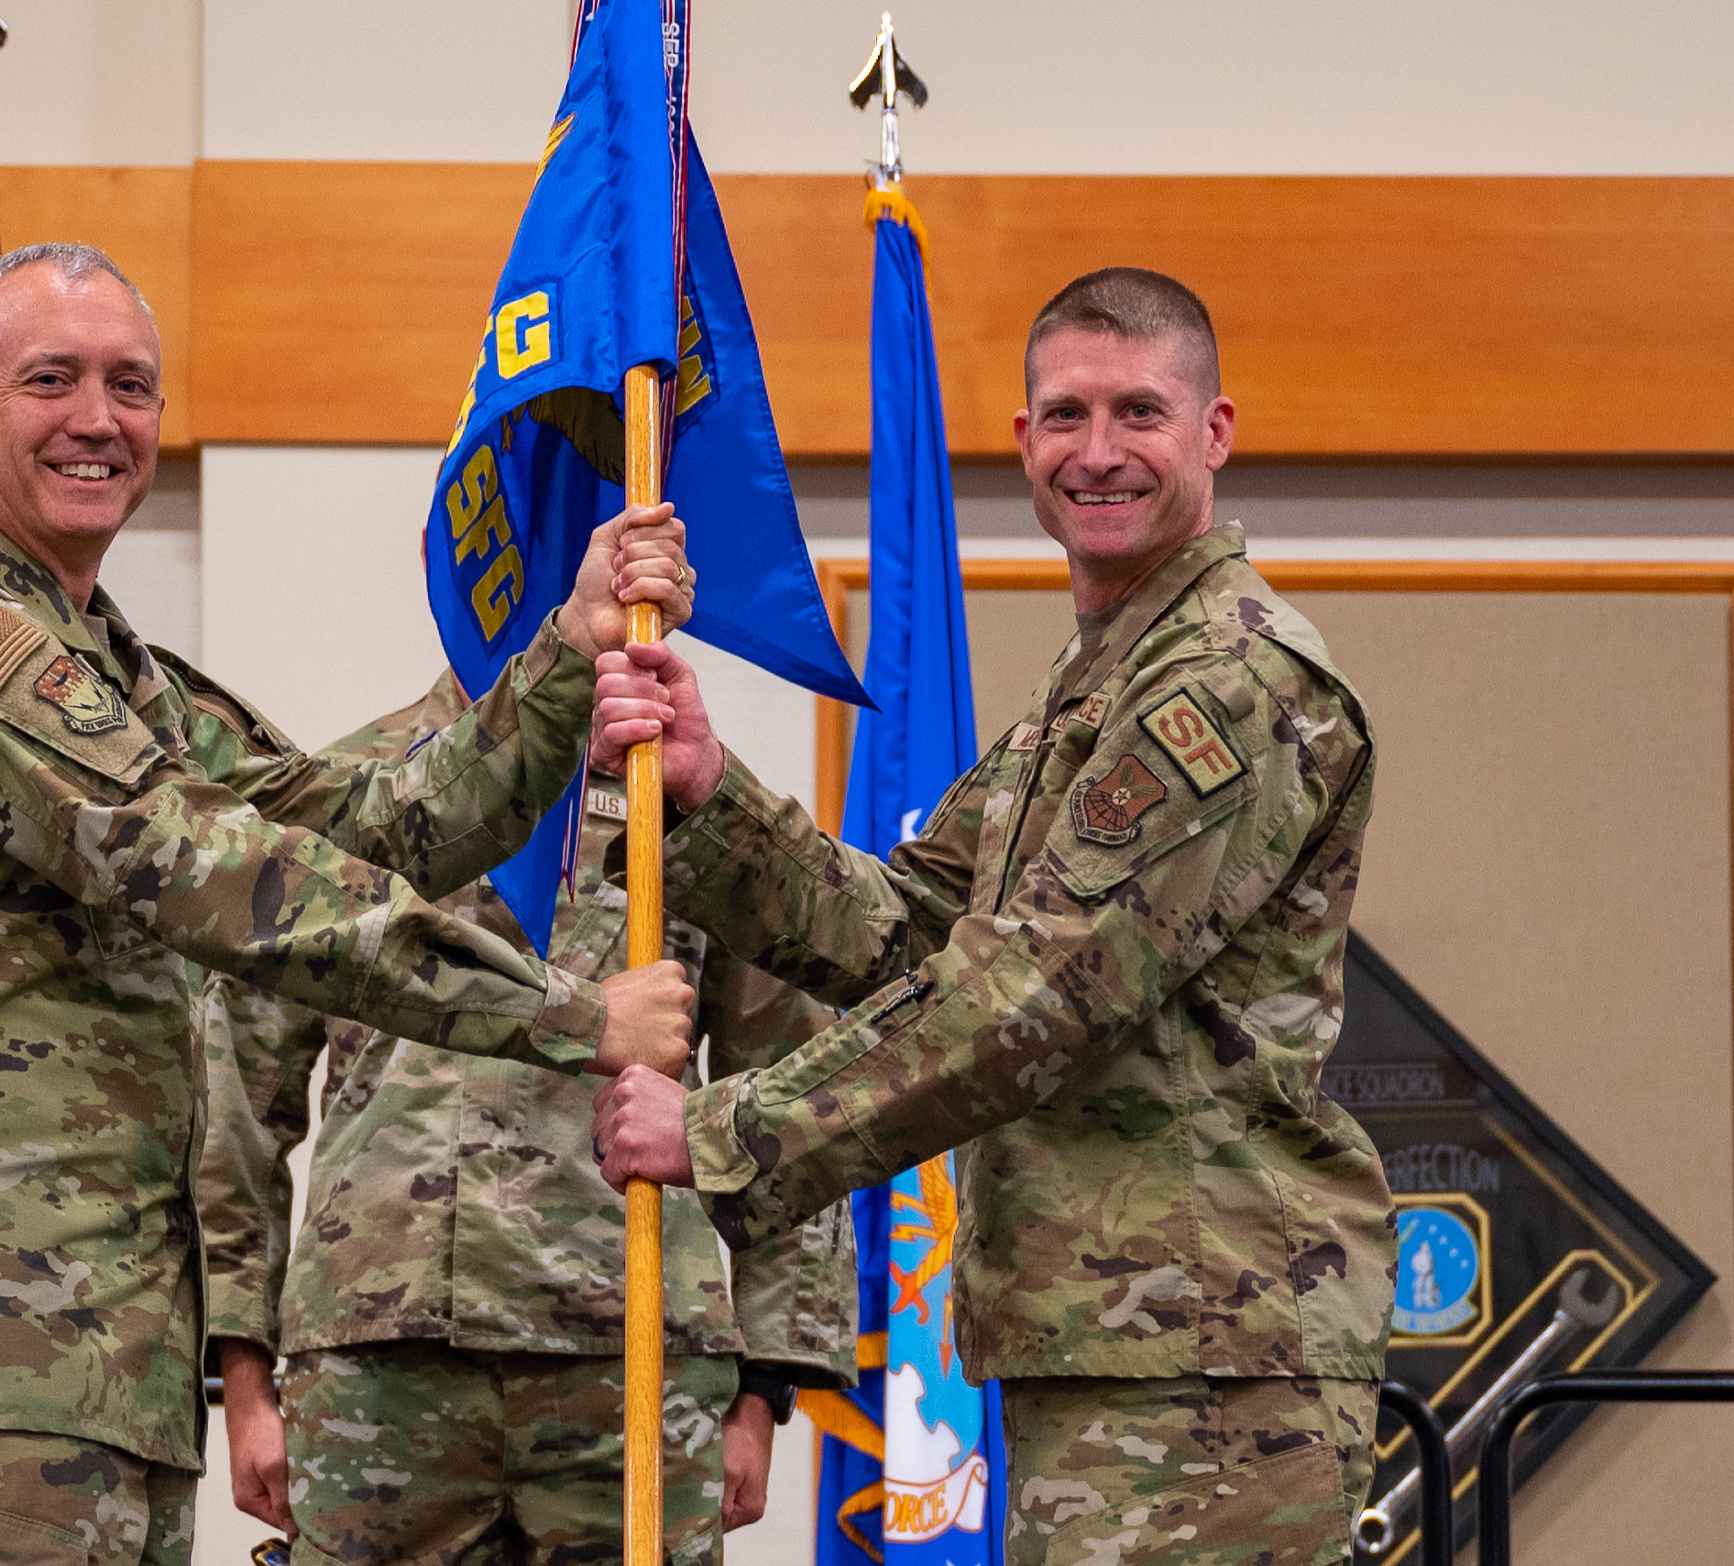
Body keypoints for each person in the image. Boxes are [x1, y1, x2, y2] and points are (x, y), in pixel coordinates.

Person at [0, 242, 698, 1566]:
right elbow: (231, 882)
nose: (100, 418)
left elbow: (371, 823)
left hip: (102, 1368)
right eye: (51, 379)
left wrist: (568, 648)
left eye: (131, 385)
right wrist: (565, 1013)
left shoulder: (121, 675)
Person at [591, 268, 1396, 1566]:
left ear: (1212, 432)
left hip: (1201, 1363)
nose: (1096, 452)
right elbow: (906, 928)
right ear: (1020, 442)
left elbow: (1028, 999)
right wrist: (706, 792)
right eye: (1064, 415)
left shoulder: (1229, 684)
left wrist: (727, 1131)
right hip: (1112, 1348)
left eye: (1137, 411)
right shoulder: (1092, 692)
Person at [196, 670, 858, 1566]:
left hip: (635, 1360)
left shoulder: (688, 799)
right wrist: (241, 1376)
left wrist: (766, 1387)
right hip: (379, 1362)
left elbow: (783, 1097)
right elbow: (238, 1104)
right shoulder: (347, 792)